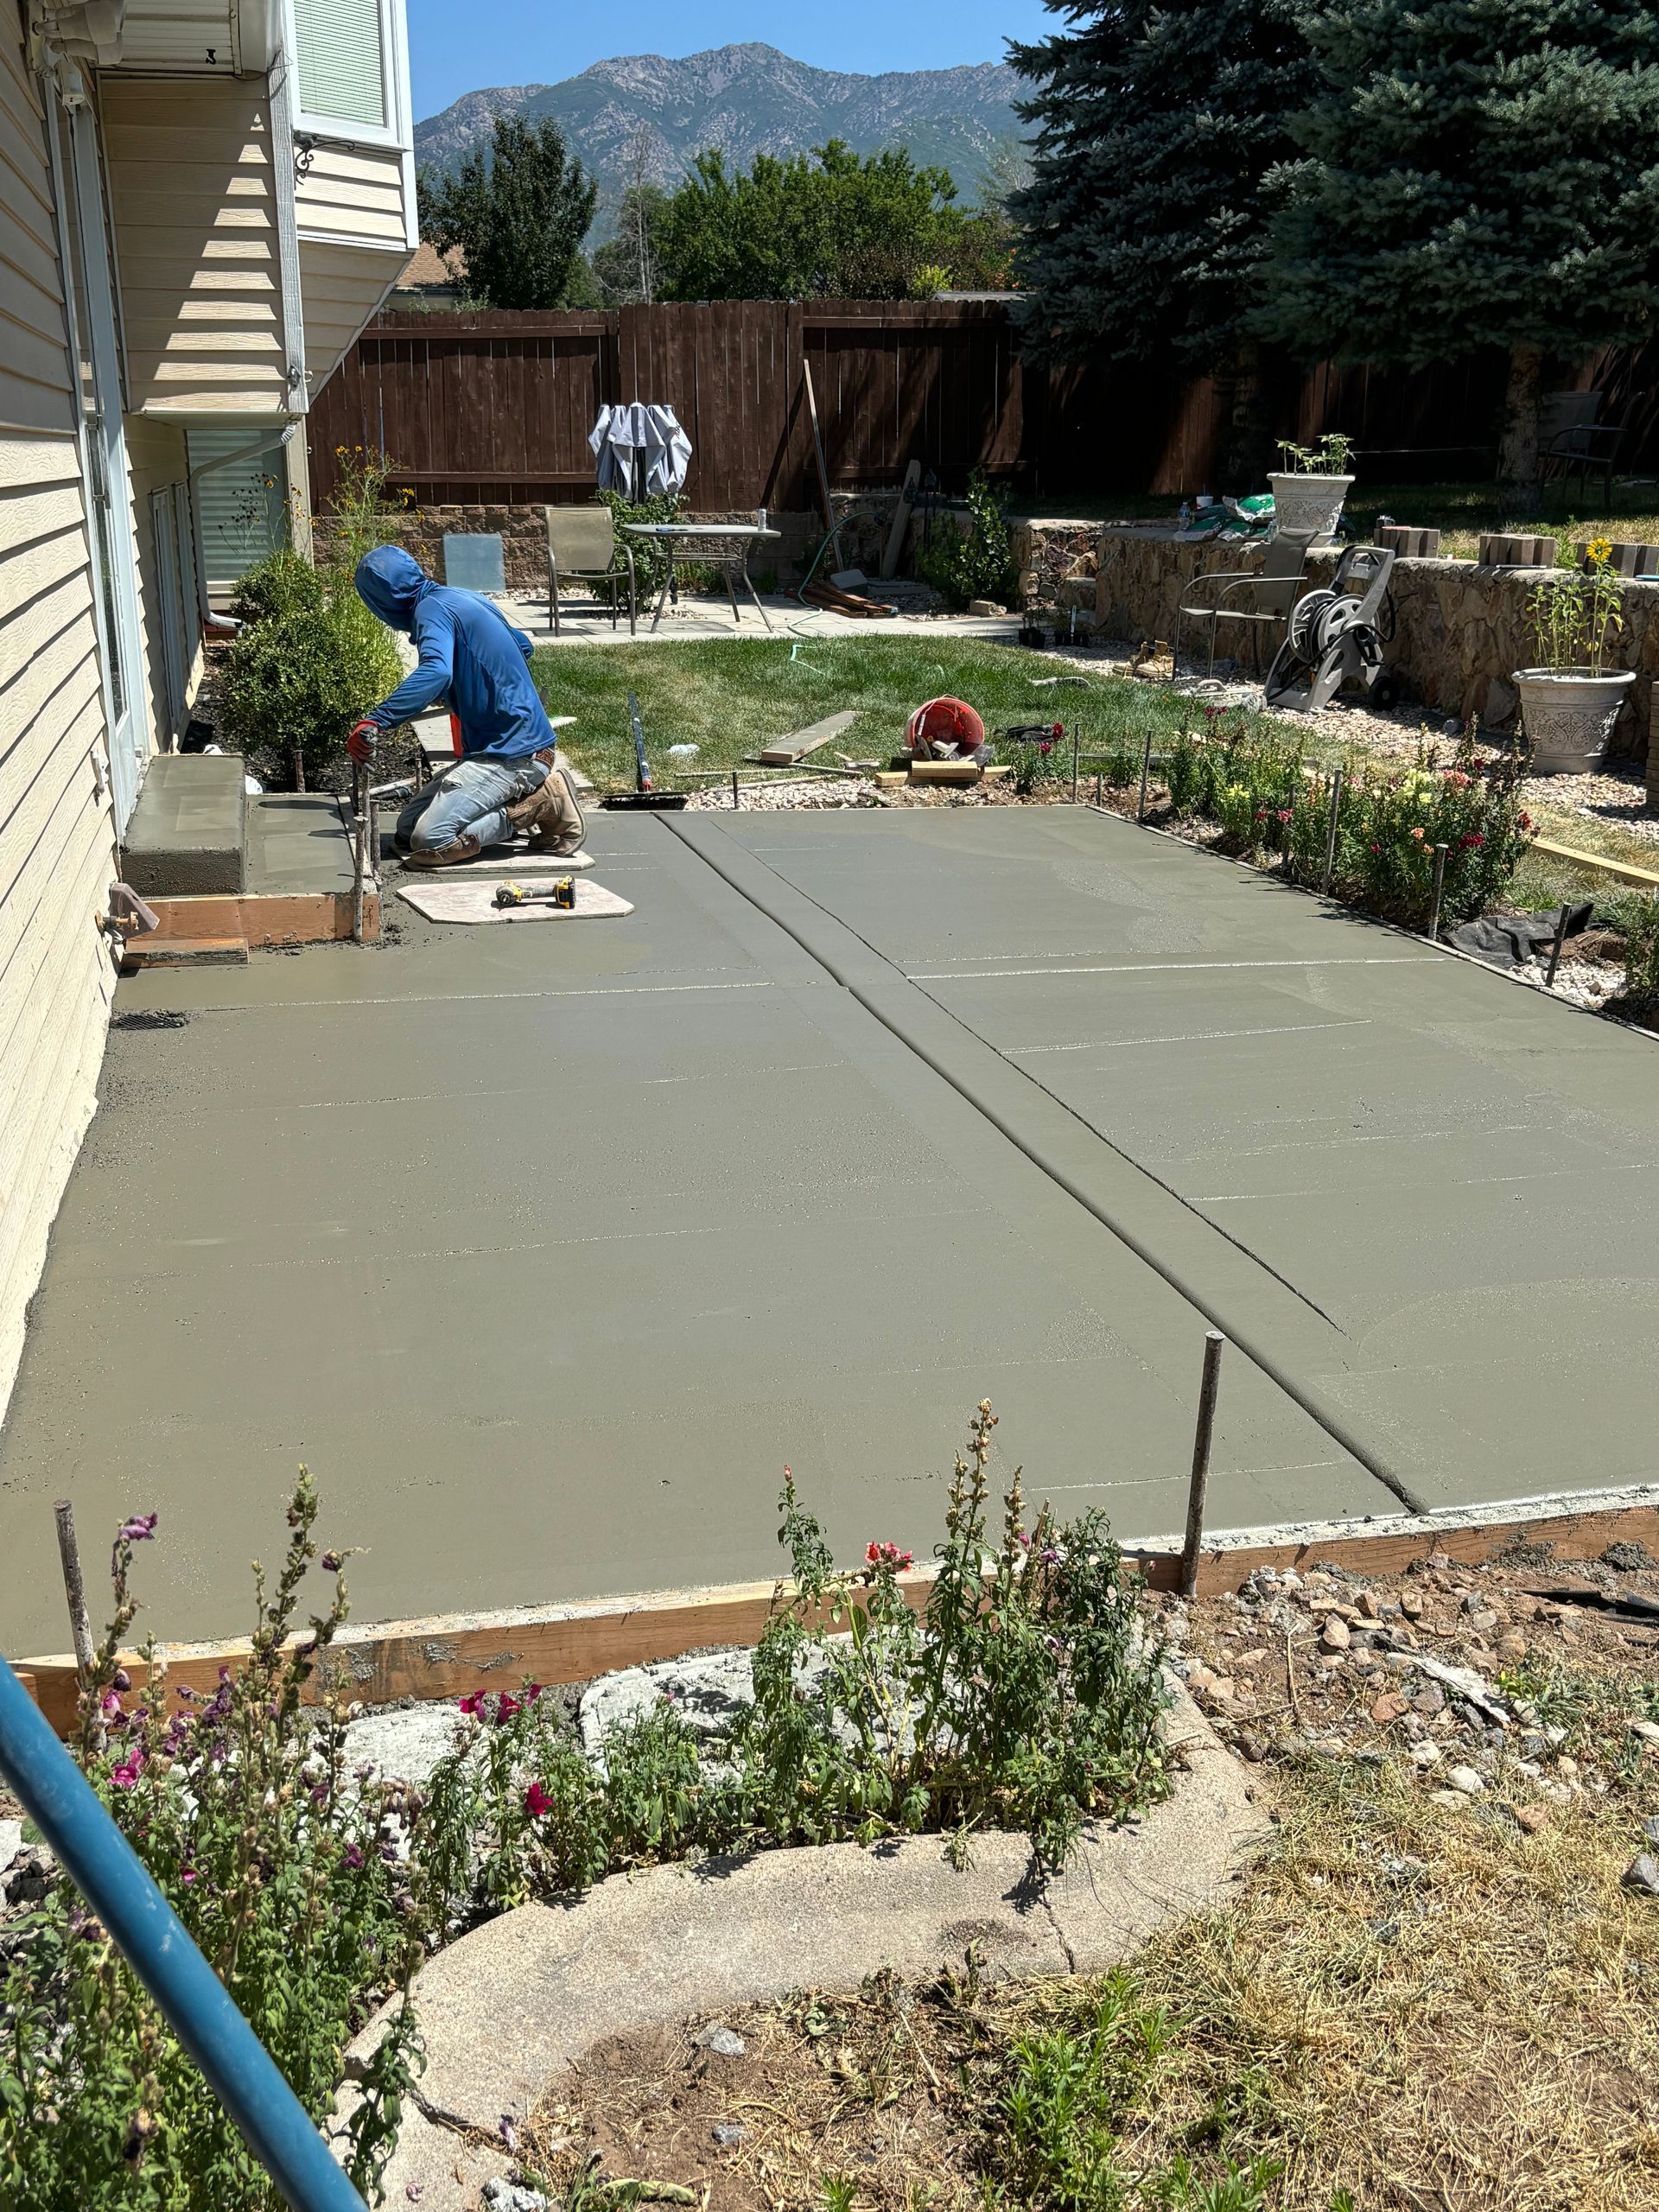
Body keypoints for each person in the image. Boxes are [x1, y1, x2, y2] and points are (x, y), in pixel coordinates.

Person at [347, 545, 585, 869]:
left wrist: (377, 720)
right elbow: (523, 646)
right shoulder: (462, 597)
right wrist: (471, 684)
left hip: (514, 755)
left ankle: (542, 803)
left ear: (382, 602)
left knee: (430, 841)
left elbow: (437, 670)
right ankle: (522, 799)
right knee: (405, 831)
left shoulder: (429, 613)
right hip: (505, 748)